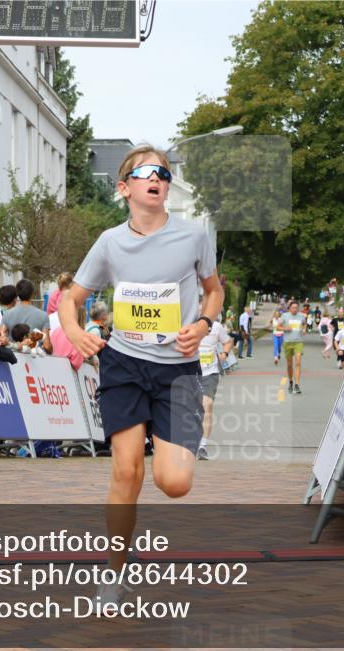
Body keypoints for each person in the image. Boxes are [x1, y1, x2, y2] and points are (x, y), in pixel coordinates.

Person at [58, 145, 223, 611]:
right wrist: (75, 332)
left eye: (164, 173)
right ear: (124, 187)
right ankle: (113, 575)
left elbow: (214, 292)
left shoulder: (193, 237)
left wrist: (204, 325)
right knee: (126, 471)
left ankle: (181, 435)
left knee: (174, 483)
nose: (157, 179)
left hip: (177, 371)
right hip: (125, 364)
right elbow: (71, 299)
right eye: (146, 172)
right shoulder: (110, 242)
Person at [197, 309, 234, 460]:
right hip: (189, 373)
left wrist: (224, 353)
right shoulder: (186, 324)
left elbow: (228, 341)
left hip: (210, 372)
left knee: (208, 404)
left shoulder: (217, 327)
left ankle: (202, 446)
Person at [1, 278, 51, 353]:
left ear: (17, 294)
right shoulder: (43, 315)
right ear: (32, 293)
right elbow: (47, 346)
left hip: (13, 357)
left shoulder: (7, 314)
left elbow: (1, 338)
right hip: (34, 359)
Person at [281, 300, 306, 394]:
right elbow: (277, 327)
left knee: (298, 362)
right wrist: (285, 328)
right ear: (289, 308)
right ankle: (291, 382)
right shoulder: (284, 316)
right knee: (289, 364)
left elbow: (304, 323)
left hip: (298, 342)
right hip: (287, 342)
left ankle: (297, 385)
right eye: (293, 307)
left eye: (296, 307)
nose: (295, 309)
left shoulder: (301, 316)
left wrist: (304, 329)